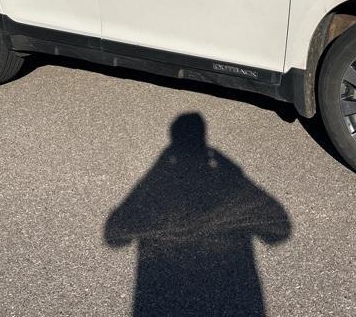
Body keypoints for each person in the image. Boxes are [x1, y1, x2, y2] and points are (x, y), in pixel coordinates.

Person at [104, 113, 291, 316]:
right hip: (229, 299)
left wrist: (156, 170)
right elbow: (280, 229)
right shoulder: (225, 183)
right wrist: (235, 174)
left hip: (166, 301)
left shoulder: (161, 185)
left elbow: (115, 234)